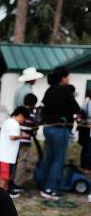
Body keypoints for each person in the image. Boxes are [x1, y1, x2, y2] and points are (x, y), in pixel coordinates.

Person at [39, 67, 79, 200]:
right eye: (68, 77)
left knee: (49, 158)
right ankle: (50, 189)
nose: (68, 79)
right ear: (63, 78)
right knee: (58, 160)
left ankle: (44, 185)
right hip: (60, 129)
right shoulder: (65, 90)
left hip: (48, 128)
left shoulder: (49, 90)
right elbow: (76, 108)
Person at [0, 107, 29, 198]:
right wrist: (23, 136)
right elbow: (13, 137)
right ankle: (0, 197)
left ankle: (3, 195)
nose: (23, 121)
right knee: (4, 179)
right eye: (24, 119)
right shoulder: (14, 123)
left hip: (3, 155)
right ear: (21, 115)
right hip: (7, 156)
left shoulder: (7, 121)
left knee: (4, 178)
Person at [13, 93, 39, 190]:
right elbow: (34, 127)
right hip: (25, 140)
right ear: (34, 104)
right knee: (22, 161)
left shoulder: (19, 111)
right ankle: (18, 184)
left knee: (14, 160)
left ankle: (11, 179)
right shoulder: (32, 114)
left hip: (15, 140)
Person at [79, 89, 91, 173]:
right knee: (89, 148)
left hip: (85, 127)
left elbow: (81, 113)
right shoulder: (88, 103)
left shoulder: (86, 103)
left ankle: (84, 166)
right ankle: (87, 167)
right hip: (89, 128)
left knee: (86, 148)